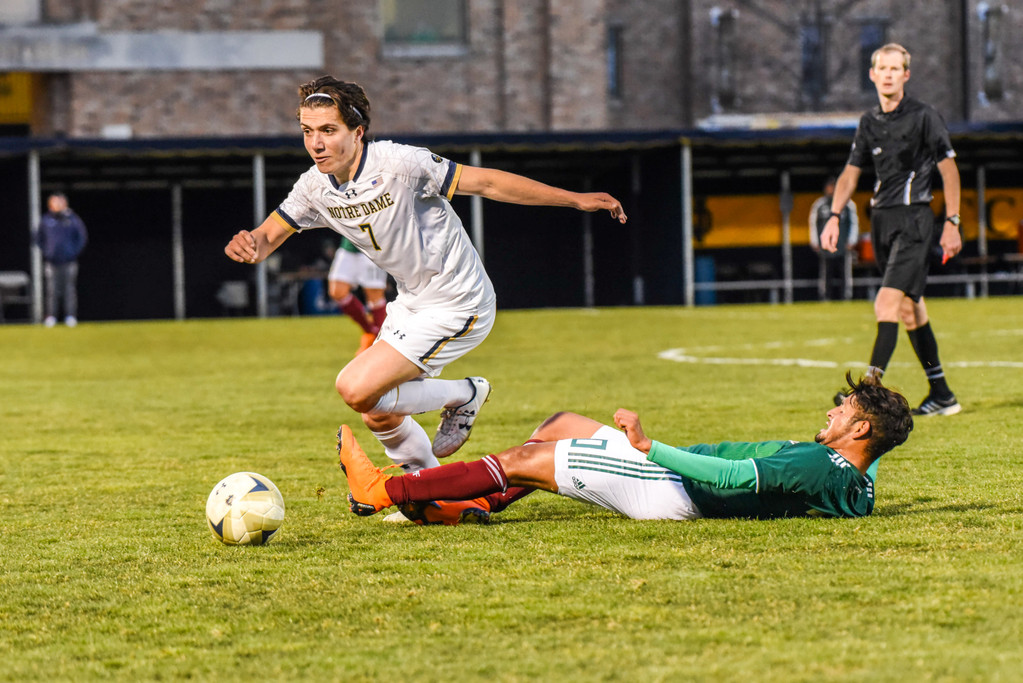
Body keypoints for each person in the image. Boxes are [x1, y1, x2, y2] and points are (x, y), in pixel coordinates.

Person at [224, 76, 627, 474]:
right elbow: (267, 237)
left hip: (459, 300)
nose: (316, 143)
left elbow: (487, 183)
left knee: (354, 387)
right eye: (307, 131)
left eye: (328, 130)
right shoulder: (313, 187)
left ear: (358, 132)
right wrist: (249, 244)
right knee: (377, 412)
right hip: (412, 302)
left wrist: (574, 199)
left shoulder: (400, 164)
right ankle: (431, 490)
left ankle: (466, 393)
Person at [337, 373, 913, 524]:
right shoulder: (857, 482)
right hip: (678, 479)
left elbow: (731, 478)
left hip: (671, 488)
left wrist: (648, 445)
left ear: (861, 431)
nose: (833, 412)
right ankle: (470, 505)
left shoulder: (818, 462)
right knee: (560, 424)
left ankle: (385, 490)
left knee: (524, 460)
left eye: (845, 411)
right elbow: (850, 481)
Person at [820, 43, 963, 417]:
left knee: (885, 303)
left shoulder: (924, 116)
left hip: (914, 220)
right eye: (881, 68)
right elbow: (851, 171)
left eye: (895, 68)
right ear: (872, 75)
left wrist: (952, 221)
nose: (887, 74)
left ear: (906, 75)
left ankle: (866, 392)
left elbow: (949, 170)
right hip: (882, 220)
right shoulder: (869, 121)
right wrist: (834, 215)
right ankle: (942, 395)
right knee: (910, 310)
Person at [328, 235, 389, 355]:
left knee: (375, 297)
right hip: (349, 246)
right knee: (337, 292)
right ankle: (371, 331)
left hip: (373, 246)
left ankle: (381, 343)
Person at [37, 192, 88, 328]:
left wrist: (73, 253)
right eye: (55, 202)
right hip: (52, 262)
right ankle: (51, 317)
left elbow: (81, 238)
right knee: (52, 291)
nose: (58, 205)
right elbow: (38, 238)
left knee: (69, 290)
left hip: (69, 262)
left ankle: (70, 316)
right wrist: (48, 253)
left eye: (60, 202)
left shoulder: (72, 220)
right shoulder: (46, 220)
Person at [809, 176, 858, 301]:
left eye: (834, 186)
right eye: (830, 186)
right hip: (826, 245)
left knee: (844, 272)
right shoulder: (819, 204)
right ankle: (825, 296)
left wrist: (851, 240)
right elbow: (813, 223)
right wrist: (815, 241)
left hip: (842, 244)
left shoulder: (848, 204)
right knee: (826, 272)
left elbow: (854, 223)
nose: (831, 189)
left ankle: (846, 296)